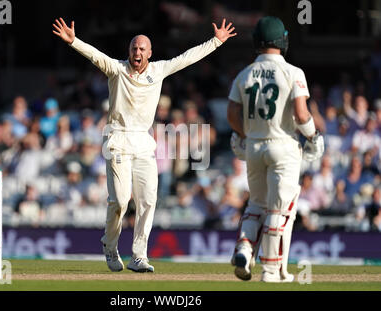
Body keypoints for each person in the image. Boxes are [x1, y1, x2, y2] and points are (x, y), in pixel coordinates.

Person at [53, 17, 237, 272]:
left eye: (141, 49)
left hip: (143, 140)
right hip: (117, 138)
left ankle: (138, 255)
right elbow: (96, 56)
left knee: (148, 200)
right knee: (119, 200)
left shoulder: (158, 70)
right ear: (129, 51)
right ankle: (110, 245)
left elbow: (186, 58)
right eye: (133, 48)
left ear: (149, 53)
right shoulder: (117, 69)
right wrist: (74, 42)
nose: (137, 52)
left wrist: (216, 42)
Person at [226, 16, 324, 282]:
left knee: (256, 206)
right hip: (284, 146)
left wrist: (243, 133)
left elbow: (232, 112)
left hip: (255, 147)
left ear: (257, 41)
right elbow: (302, 114)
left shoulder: (244, 73)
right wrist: (314, 136)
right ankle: (270, 271)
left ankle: (245, 250)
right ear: (283, 40)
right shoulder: (293, 72)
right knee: (279, 210)